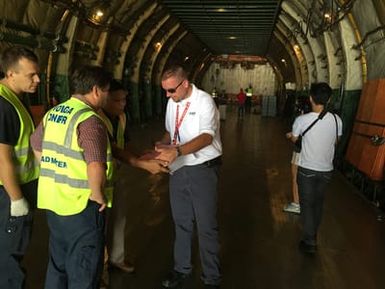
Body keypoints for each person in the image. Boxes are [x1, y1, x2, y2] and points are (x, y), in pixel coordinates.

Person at [30, 65, 113, 289]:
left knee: (59, 265)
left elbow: (35, 144)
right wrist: (98, 195)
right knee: (83, 270)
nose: (108, 96)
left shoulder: (54, 113)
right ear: (96, 90)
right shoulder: (90, 121)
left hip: (54, 202)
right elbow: (95, 163)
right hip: (81, 206)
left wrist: (54, 171)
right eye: (107, 91)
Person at [155, 65, 222, 289]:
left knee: (206, 225)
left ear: (184, 84)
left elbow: (207, 136)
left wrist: (178, 151)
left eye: (171, 90)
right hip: (179, 168)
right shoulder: (172, 102)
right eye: (165, 91)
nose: (168, 95)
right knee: (181, 222)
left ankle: (211, 277)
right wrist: (162, 146)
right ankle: (181, 269)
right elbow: (170, 130)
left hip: (202, 168)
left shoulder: (204, 102)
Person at [100, 79, 168, 274]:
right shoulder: (95, 118)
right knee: (98, 226)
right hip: (97, 178)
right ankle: (99, 266)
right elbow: (113, 149)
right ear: (104, 98)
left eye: (124, 100)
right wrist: (142, 164)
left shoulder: (121, 117)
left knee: (119, 218)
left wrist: (142, 155)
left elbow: (125, 143)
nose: (122, 104)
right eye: (117, 100)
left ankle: (116, 258)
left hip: (116, 175)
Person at [0, 46, 40, 289]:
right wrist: (16, 199)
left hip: (19, 188)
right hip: (9, 194)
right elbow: (2, 158)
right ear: (11, 74)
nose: (37, 80)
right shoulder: (3, 105)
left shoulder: (14, 99)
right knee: (9, 255)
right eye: (31, 75)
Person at [289, 82, 342, 254]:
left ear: (311, 98)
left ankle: (310, 240)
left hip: (307, 170)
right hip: (326, 170)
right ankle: (312, 235)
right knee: (318, 204)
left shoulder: (302, 120)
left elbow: (295, 139)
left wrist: (291, 136)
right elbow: (336, 141)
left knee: (307, 205)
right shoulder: (337, 120)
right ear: (329, 99)